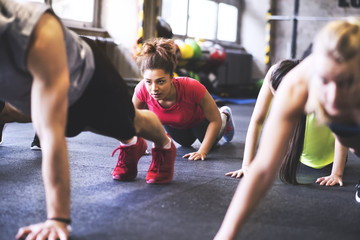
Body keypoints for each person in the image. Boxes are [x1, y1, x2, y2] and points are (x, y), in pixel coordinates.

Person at [0, 0, 176, 239]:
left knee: (130, 124)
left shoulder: (34, 30)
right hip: (29, 96)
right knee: (7, 113)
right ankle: (132, 144)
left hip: (90, 84)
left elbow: (50, 130)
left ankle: (161, 144)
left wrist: (57, 219)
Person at [214, 18, 360, 239]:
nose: (332, 96)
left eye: (345, 82)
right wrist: (225, 235)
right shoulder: (296, 84)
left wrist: (337, 170)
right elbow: (262, 169)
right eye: (324, 80)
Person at [226, 59, 348, 186]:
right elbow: (258, 120)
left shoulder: (324, 87)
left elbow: (341, 129)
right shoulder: (274, 74)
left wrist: (336, 173)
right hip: (296, 152)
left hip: (326, 157)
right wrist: (247, 165)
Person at [132, 38, 235, 161]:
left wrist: (202, 151)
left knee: (210, 144)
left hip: (200, 122)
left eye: (160, 81)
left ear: (171, 77)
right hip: (176, 125)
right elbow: (133, 119)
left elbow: (214, 120)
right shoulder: (142, 89)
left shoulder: (192, 87)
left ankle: (225, 114)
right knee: (186, 144)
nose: (154, 89)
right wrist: (138, 145)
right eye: (148, 82)